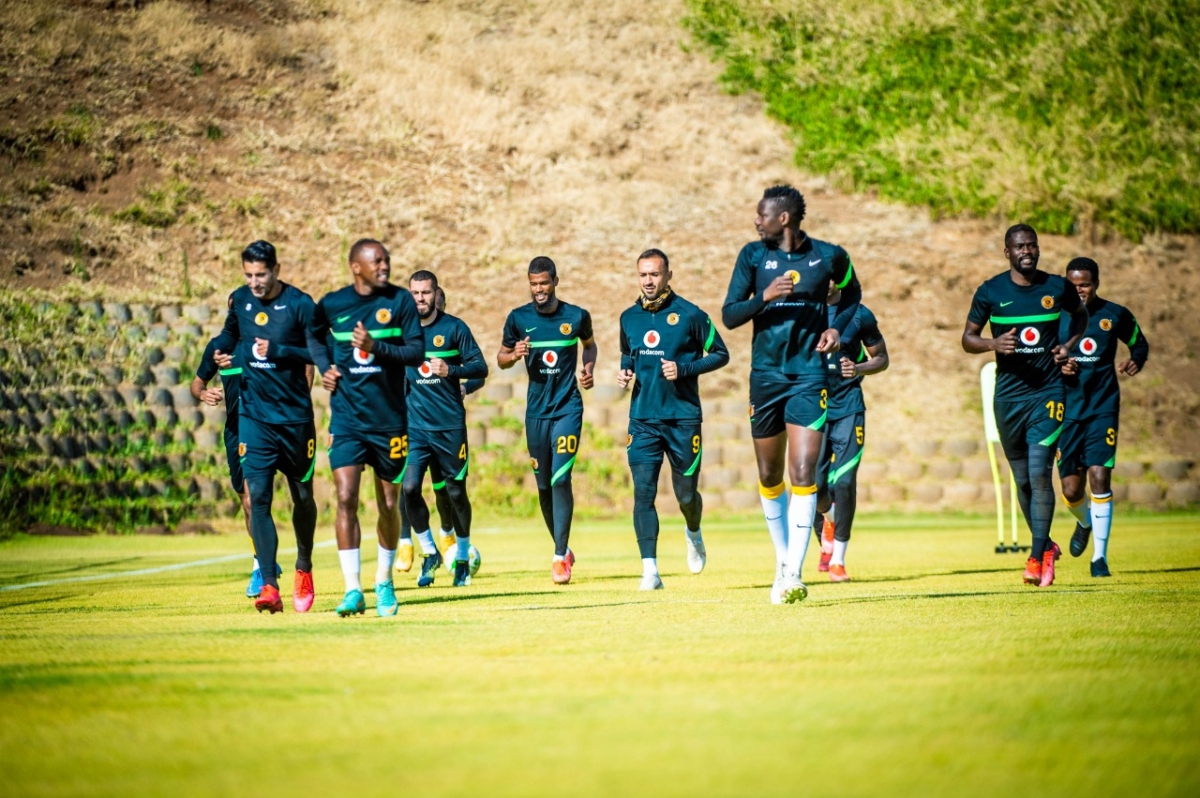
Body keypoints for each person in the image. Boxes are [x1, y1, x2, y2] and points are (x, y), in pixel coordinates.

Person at [722, 185, 862, 604]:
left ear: (783, 218)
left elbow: (852, 294)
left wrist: (837, 328)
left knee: (803, 471)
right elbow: (729, 315)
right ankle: (782, 561)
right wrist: (764, 297)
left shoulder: (829, 256)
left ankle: (793, 574)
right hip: (765, 378)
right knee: (770, 475)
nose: (756, 221)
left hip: (809, 377)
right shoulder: (752, 256)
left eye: (761, 215)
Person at [962, 224, 1088, 587]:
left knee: (1039, 473)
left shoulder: (1057, 287)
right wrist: (993, 344)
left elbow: (1081, 317)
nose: (1027, 251)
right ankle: (1047, 545)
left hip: (1048, 393)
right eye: (1019, 246)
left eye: (1032, 245)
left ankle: (1035, 558)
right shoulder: (991, 291)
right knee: (1021, 480)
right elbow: (967, 338)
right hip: (1008, 397)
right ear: (1008, 252)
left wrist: (1068, 346)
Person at [308, 239, 424, 617]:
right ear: (356, 267)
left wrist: (377, 347)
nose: (384, 266)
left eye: (386, 260)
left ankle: (384, 581)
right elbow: (312, 334)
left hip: (389, 421)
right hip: (347, 420)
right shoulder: (333, 303)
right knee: (345, 497)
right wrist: (325, 367)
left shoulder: (400, 301)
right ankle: (353, 589)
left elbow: (416, 353)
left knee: (389, 503)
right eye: (376, 261)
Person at [217, 240, 320, 614]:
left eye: (260, 275)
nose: (254, 282)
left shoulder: (300, 304)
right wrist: (216, 358)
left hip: (294, 420)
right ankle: (269, 584)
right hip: (254, 419)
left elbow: (319, 351)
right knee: (257, 496)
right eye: (248, 275)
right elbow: (228, 338)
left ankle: (304, 568)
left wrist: (282, 353)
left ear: (276, 269)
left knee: (302, 497)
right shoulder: (241, 303)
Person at [618, 249, 729, 590]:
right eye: (643, 275)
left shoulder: (690, 314)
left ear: (668, 275)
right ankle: (650, 572)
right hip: (643, 419)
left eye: (654, 274)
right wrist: (625, 371)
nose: (648, 281)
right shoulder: (629, 317)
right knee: (643, 493)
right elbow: (628, 354)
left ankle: (693, 531)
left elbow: (721, 354)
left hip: (682, 419)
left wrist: (684, 369)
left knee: (685, 496)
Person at [498, 256, 597, 584]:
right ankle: (564, 548)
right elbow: (500, 358)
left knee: (560, 479)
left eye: (544, 283)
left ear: (555, 281)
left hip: (568, 409)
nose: (539, 289)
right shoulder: (518, 318)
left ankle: (558, 558)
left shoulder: (576, 316)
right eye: (534, 284)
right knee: (543, 486)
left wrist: (588, 369)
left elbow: (590, 346)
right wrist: (514, 355)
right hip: (536, 413)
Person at [1057, 257, 1149, 577]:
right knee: (1071, 490)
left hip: (1102, 408)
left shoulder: (1115, 314)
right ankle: (1085, 522)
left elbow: (1139, 344)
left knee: (1099, 475)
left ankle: (1100, 559)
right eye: (1072, 285)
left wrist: (1136, 360)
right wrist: (1059, 367)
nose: (1078, 290)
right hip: (1066, 412)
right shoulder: (1055, 317)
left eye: (1084, 284)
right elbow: (1040, 360)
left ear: (1096, 283)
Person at [402, 271, 488, 588]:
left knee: (455, 493)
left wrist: (451, 369)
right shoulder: (401, 332)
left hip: (449, 427)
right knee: (410, 488)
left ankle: (461, 557)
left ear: (435, 293)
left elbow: (481, 368)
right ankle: (429, 552)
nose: (420, 298)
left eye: (425, 292)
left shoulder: (454, 328)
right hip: (415, 428)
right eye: (415, 293)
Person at [191, 324, 277, 597]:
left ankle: (277, 566)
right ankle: (261, 561)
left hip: (269, 428)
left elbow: (303, 365)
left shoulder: (268, 341)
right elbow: (197, 383)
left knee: (260, 498)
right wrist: (203, 394)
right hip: (236, 432)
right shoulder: (220, 347)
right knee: (247, 501)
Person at [813, 279, 889, 582]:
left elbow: (881, 359)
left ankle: (838, 560)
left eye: (832, 274)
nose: (826, 280)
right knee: (813, 485)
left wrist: (857, 368)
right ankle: (829, 522)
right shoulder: (802, 311)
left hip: (848, 407)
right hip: (812, 410)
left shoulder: (859, 314)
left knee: (844, 482)